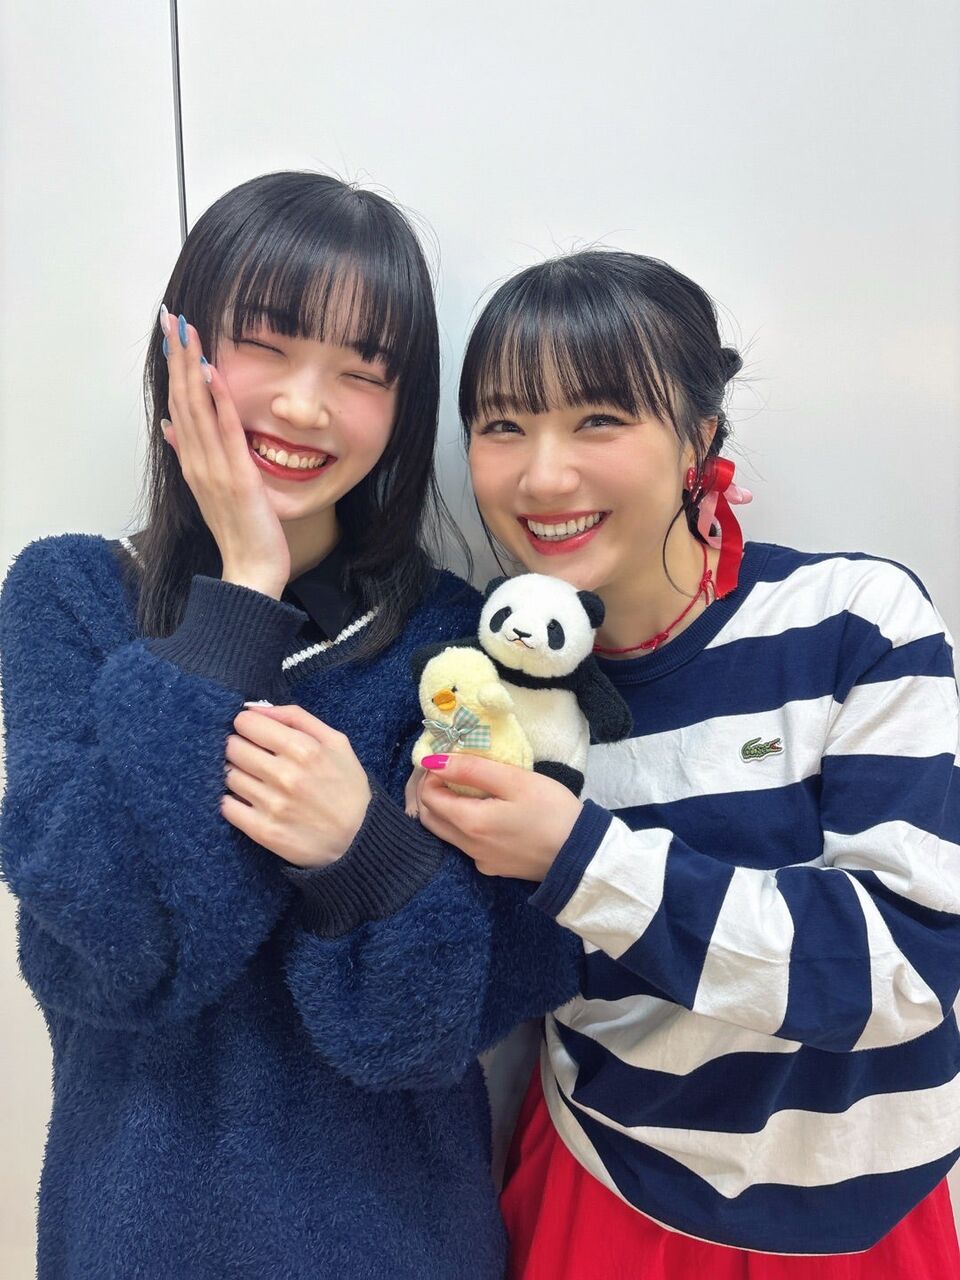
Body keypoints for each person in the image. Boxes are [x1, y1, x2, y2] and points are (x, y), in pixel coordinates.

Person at [0, 172, 579, 1279]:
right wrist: (242, 597)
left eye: (363, 372)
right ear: (182, 348)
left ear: (401, 410)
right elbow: (110, 960)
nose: (308, 407)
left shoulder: (457, 646)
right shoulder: (71, 597)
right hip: (136, 1238)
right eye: (266, 345)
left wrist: (365, 854)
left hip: (399, 1240)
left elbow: (449, 1019)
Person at [414, 250, 960, 1277]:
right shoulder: (494, 695)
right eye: (502, 425)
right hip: (606, 1187)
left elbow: (905, 965)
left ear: (699, 437)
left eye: (598, 419)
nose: (543, 476)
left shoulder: (854, 620)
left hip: (864, 1212)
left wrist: (577, 857)